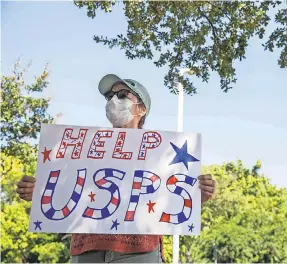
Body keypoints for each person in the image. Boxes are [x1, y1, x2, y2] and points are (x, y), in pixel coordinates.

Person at [16, 74, 216, 263]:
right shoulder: (85, 146)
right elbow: (66, 192)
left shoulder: (161, 151)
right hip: (87, 249)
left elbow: (172, 197)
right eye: (109, 96)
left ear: (141, 109)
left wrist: (199, 194)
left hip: (139, 252)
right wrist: (38, 191)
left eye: (122, 95)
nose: (113, 100)